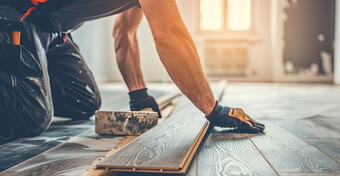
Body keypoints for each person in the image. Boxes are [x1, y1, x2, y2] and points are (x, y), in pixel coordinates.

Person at [0, 0, 264, 140]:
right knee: (33, 117)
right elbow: (169, 37)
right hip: (16, 14)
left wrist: (139, 96)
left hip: (54, 31)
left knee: (85, 103)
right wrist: (213, 109)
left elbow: (123, 32)